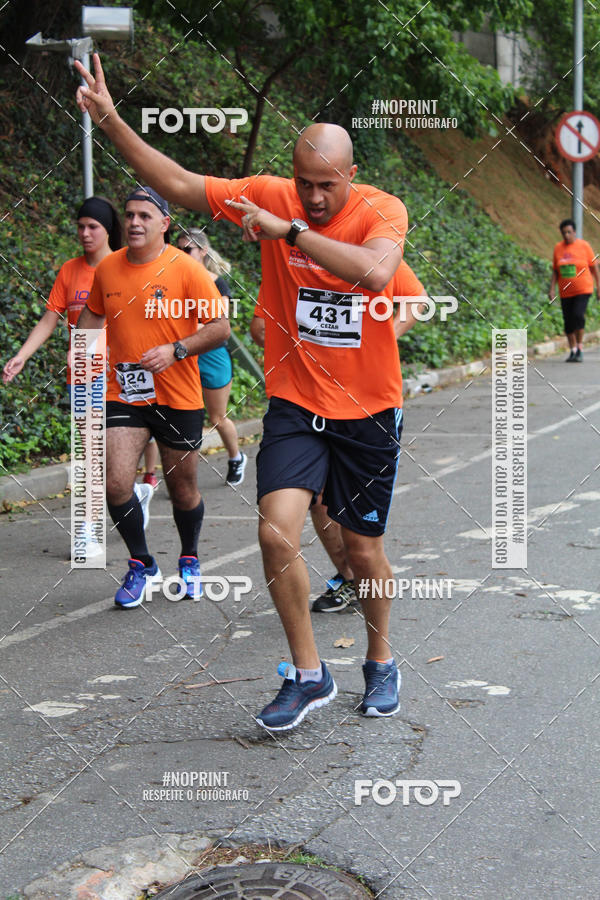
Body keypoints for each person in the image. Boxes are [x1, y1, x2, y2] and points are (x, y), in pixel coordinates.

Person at [75, 56, 407, 729]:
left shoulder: (381, 210)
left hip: (369, 408)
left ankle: (380, 658)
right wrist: (110, 120)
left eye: (325, 187)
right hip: (296, 404)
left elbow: (376, 274)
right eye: (302, 185)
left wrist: (292, 233)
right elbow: (178, 183)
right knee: (275, 532)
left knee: (363, 550)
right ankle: (309, 673)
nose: (311, 197)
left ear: (350, 175)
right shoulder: (270, 192)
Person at [76, 185, 229, 607]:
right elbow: (92, 314)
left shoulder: (187, 269)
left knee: (183, 489)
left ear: (164, 224)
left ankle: (190, 558)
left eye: (145, 216)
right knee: (116, 484)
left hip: (178, 395)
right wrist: (87, 349)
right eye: (129, 215)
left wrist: (176, 349)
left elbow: (220, 327)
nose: (134, 222)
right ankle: (142, 564)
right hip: (125, 392)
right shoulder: (108, 268)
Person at [251, 260, 427, 613]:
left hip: (364, 407)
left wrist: (382, 340)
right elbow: (259, 324)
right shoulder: (291, 258)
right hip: (304, 402)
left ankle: (365, 591)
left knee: (358, 535)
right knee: (314, 500)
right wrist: (304, 350)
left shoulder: (369, 250)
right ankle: (347, 578)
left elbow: (416, 300)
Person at [1, 197, 156, 553]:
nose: (85, 234)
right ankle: (89, 531)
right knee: (87, 455)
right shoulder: (70, 271)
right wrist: (22, 355)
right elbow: (50, 319)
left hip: (121, 378)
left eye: (93, 227)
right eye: (80, 226)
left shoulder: (125, 266)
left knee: (110, 460)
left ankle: (135, 494)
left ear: (107, 231)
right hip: (83, 374)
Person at [176, 229, 247, 485]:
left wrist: (179, 334)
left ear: (203, 251)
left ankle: (236, 457)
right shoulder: (175, 280)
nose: (182, 254)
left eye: (188, 250)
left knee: (217, 417)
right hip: (183, 355)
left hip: (212, 355)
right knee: (186, 415)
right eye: (178, 250)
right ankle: (184, 476)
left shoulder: (218, 284)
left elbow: (217, 324)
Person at [549, 218, 600, 362]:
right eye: (564, 232)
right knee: (568, 322)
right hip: (565, 291)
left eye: (569, 232)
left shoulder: (584, 246)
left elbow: (594, 267)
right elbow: (555, 270)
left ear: (574, 232)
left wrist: (599, 287)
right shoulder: (558, 248)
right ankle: (573, 350)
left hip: (583, 288)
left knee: (578, 315)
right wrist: (552, 289)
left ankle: (580, 347)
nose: (566, 235)